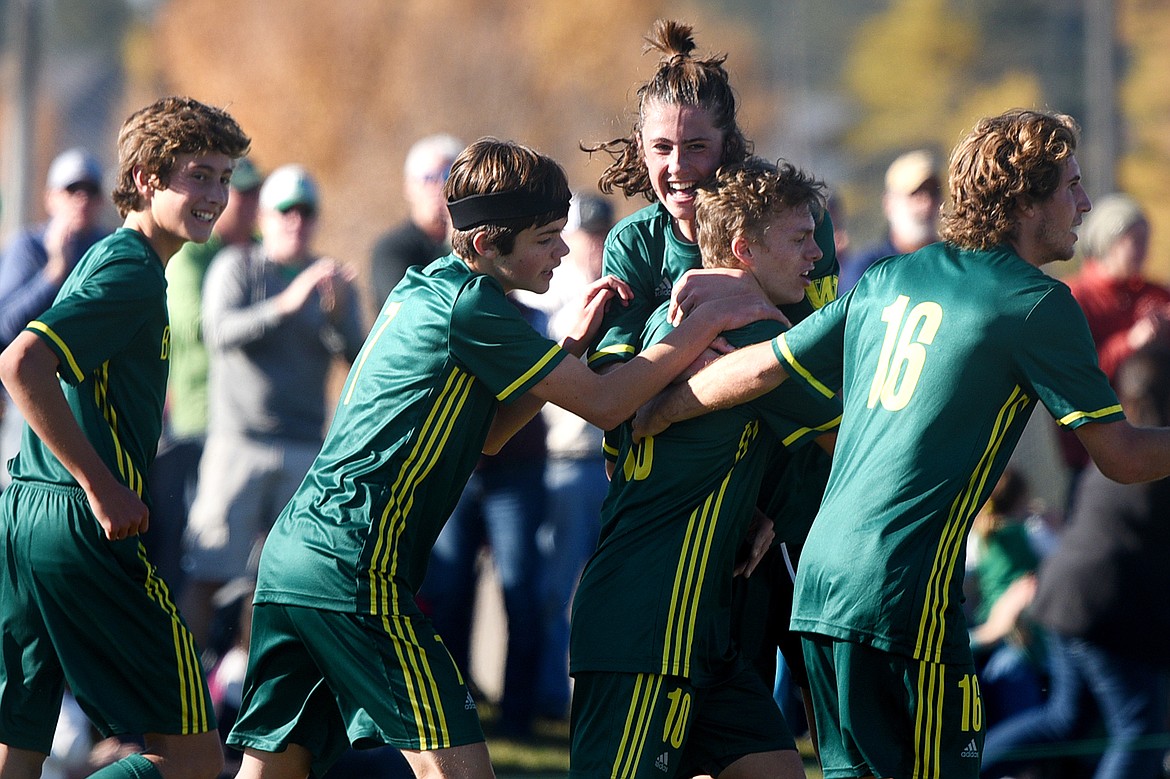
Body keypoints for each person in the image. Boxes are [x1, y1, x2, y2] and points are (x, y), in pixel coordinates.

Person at [634, 108, 1170, 779]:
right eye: (1071, 185)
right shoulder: (1037, 302)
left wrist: (658, 408)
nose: (1085, 203)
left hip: (823, 587)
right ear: (1026, 200)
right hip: (904, 593)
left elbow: (763, 365)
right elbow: (1120, 456)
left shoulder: (889, 279)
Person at [224, 137, 781, 779]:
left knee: (271, 771)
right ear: (489, 244)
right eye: (546, 238)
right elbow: (604, 404)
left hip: (296, 560)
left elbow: (487, 435)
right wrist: (700, 328)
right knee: (461, 772)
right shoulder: (473, 306)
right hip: (356, 570)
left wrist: (571, 345)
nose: (564, 252)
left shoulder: (428, 287)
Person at [0, 95, 250, 779]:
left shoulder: (123, 259)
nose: (215, 195)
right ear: (145, 177)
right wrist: (102, 484)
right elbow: (21, 362)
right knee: (196, 760)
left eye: (225, 178)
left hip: (27, 514)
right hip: (82, 526)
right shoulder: (132, 270)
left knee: (19, 742)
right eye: (199, 174)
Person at [570, 158, 842, 779]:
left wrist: (759, 505)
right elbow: (852, 444)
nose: (816, 254)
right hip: (645, 625)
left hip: (703, 636)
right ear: (744, 249)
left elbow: (626, 430)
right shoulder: (755, 340)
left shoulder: (673, 324)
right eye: (800, 239)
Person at [180, 162, 366, 654]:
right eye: (286, 210)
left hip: (304, 448)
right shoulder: (236, 266)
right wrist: (286, 303)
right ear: (264, 215)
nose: (296, 221)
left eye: (306, 212)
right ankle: (178, 695)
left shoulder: (330, 282)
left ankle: (247, 690)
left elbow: (359, 360)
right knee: (208, 571)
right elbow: (218, 333)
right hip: (238, 444)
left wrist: (336, 316)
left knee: (280, 585)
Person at [981, 344, 1170, 779]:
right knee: (1138, 733)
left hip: (1065, 598)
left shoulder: (1124, 450)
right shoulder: (1156, 460)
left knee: (1064, 721)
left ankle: (964, 772)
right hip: (1107, 612)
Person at [417, 295, 551, 741]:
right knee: (447, 591)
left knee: (520, 593)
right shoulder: (447, 309)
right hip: (457, 470)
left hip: (516, 473)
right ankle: (452, 713)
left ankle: (517, 717)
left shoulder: (531, 319)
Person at [513, 191, 616, 720]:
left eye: (601, 232)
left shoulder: (622, 292)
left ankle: (594, 698)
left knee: (606, 591)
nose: (592, 242)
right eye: (584, 233)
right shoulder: (551, 298)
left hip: (609, 461)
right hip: (562, 459)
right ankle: (553, 695)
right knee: (555, 589)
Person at [145, 155, 263, 588]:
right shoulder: (194, 253)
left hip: (249, 425)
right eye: (240, 194)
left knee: (242, 562)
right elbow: (197, 326)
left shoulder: (262, 250)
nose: (246, 205)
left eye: (252, 195)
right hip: (195, 420)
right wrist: (268, 316)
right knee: (187, 552)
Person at [0, 148, 109, 489]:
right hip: (32, 396)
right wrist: (54, 271)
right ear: (50, 198)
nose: (82, 198)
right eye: (71, 190)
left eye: (90, 190)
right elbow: (5, 326)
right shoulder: (29, 246)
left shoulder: (105, 248)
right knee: (24, 489)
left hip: (91, 396)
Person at [1057, 194, 1170, 501]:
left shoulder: (1155, 295)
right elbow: (1074, 379)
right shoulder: (1074, 298)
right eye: (1134, 240)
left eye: (1146, 240)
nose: (1143, 250)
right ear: (1108, 243)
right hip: (1093, 461)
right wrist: (1131, 342)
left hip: (1158, 452)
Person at [369, 133, 465, 307]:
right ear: (409, 188)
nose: (440, 188)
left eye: (448, 177)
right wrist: (452, 247)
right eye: (429, 179)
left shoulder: (478, 244)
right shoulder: (392, 249)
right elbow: (405, 308)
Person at [839, 148, 942, 292]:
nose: (926, 203)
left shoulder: (955, 263)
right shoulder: (867, 270)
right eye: (915, 194)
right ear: (889, 203)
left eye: (933, 193)